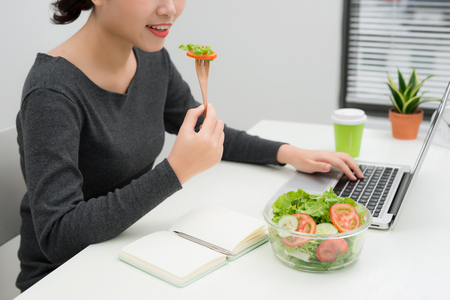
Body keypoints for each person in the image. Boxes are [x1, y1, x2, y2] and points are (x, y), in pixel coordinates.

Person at [15, 0, 363, 292]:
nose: (170, 9)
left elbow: (200, 128)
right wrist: (176, 171)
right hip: (66, 277)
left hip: (129, 246)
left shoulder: (150, 58)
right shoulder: (52, 92)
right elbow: (59, 234)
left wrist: (286, 153)